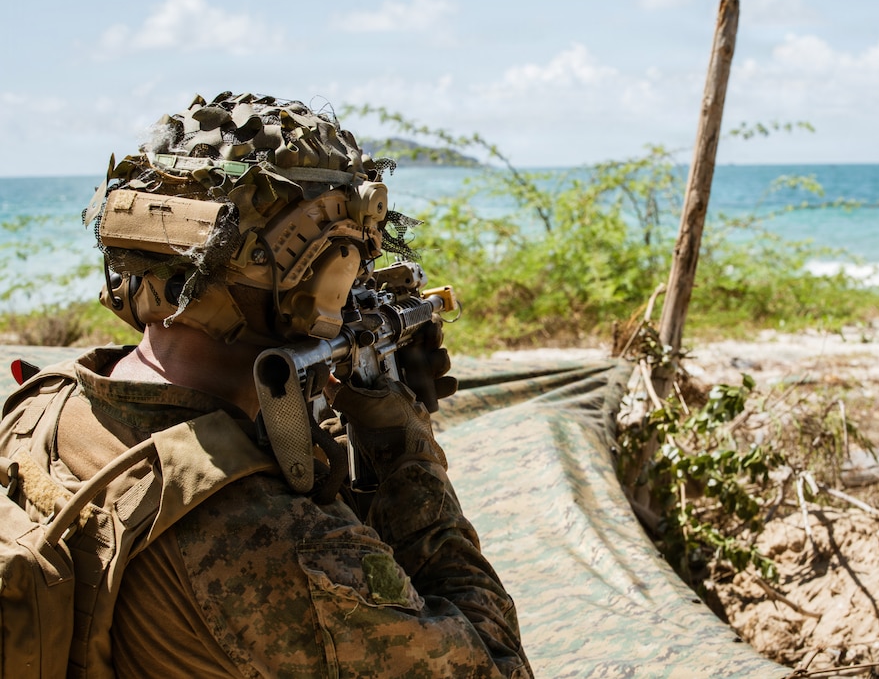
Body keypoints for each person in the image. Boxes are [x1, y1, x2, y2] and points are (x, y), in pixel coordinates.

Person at [5, 92, 532, 677]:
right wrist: (409, 456)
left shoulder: (38, 407)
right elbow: (498, 663)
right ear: (323, 269)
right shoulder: (275, 543)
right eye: (355, 255)